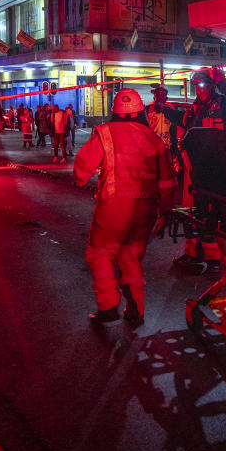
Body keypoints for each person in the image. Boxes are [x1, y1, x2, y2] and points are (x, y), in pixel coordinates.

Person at [73, 88, 177, 326]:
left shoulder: (105, 133)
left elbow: (82, 167)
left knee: (101, 253)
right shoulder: (155, 139)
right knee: (130, 256)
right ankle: (136, 308)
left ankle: (109, 305)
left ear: (115, 112)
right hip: (146, 210)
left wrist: (79, 178)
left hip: (113, 207)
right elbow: (168, 181)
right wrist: (167, 210)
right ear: (140, 111)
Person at [173, 66, 226, 274]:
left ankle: (214, 257)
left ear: (212, 85)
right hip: (195, 170)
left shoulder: (224, 104)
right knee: (193, 212)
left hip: (217, 171)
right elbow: (186, 131)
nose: (199, 89)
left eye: (203, 84)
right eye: (196, 85)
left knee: (214, 213)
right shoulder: (194, 109)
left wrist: (224, 81)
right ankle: (191, 253)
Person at [145, 83, 183, 153]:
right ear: (154, 97)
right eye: (158, 95)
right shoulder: (147, 110)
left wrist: (174, 148)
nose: (160, 98)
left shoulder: (170, 112)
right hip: (151, 148)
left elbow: (173, 132)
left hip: (166, 149)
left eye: (162, 95)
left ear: (166, 98)